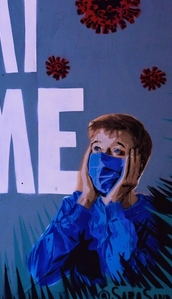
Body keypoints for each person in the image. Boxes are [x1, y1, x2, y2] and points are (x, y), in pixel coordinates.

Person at [28, 113, 157, 287]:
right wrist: (86, 201)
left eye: (117, 151)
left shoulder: (153, 214)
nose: (103, 159)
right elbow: (40, 272)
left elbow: (124, 281)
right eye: (97, 149)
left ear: (137, 165)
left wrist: (113, 207)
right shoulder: (75, 206)